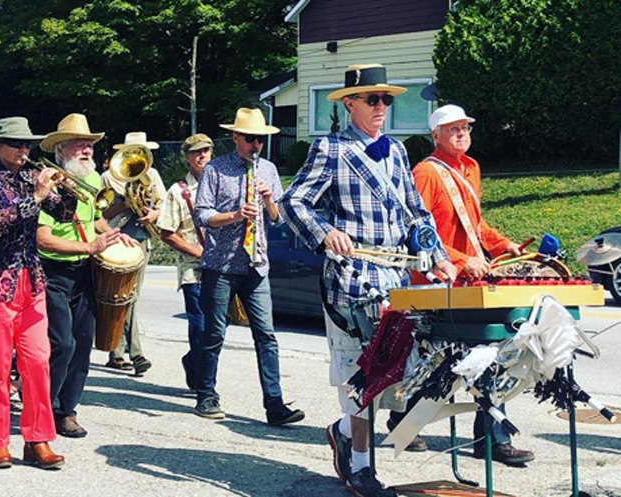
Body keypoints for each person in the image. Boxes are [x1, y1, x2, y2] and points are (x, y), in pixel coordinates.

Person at [278, 64, 457, 497]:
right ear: (350, 104)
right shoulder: (331, 149)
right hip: (352, 277)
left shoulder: (396, 151)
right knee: (360, 374)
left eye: (386, 99)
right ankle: (360, 466)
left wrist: (436, 254)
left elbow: (416, 212)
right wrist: (326, 233)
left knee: (398, 373)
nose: (381, 107)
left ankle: (342, 432)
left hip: (395, 275)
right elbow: (293, 202)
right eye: (372, 99)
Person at [396, 104, 533, 466]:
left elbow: (475, 224)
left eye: (465, 128)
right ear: (435, 136)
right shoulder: (426, 172)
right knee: (453, 356)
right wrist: (458, 260)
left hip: (470, 280)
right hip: (436, 282)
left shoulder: (471, 167)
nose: (461, 134)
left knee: (492, 350)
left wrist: (503, 245)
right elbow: (418, 233)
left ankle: (489, 437)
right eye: (452, 129)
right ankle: (410, 421)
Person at [0, 116, 75, 470]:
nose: (23, 149)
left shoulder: (33, 177)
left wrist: (67, 186)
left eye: (27, 143)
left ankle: (37, 439)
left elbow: (63, 213)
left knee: (38, 362)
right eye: (16, 143)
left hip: (31, 281)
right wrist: (37, 196)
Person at [191, 107, 305, 427]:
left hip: (256, 265)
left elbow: (277, 219)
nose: (256, 145)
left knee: (266, 335)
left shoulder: (268, 169)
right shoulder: (215, 169)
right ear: (235, 137)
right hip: (221, 263)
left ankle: (275, 404)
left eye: (260, 140)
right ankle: (206, 395)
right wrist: (235, 215)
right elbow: (202, 215)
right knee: (214, 333)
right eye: (250, 139)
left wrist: (269, 201)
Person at [37, 113, 134, 438]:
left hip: (84, 270)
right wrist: (89, 246)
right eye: (79, 144)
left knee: (82, 344)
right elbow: (42, 238)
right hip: (53, 270)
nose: (87, 150)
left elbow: (94, 220)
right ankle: (44, 409)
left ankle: (67, 410)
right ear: (61, 149)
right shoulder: (48, 183)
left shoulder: (91, 179)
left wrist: (114, 235)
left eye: (89, 144)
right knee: (61, 344)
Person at [100, 131, 166, 374]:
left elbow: (163, 203)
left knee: (131, 297)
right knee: (123, 296)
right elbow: (101, 214)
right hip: (115, 238)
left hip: (141, 239)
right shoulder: (109, 177)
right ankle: (135, 353)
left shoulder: (152, 174)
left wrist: (154, 214)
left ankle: (117, 352)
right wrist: (125, 204)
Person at [156, 133, 214, 391]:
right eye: (196, 152)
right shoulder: (177, 191)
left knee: (215, 329)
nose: (202, 155)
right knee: (200, 326)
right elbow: (166, 233)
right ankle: (205, 384)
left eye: (206, 150)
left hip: (221, 268)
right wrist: (198, 252)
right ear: (187, 158)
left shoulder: (221, 185)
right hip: (193, 270)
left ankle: (193, 362)